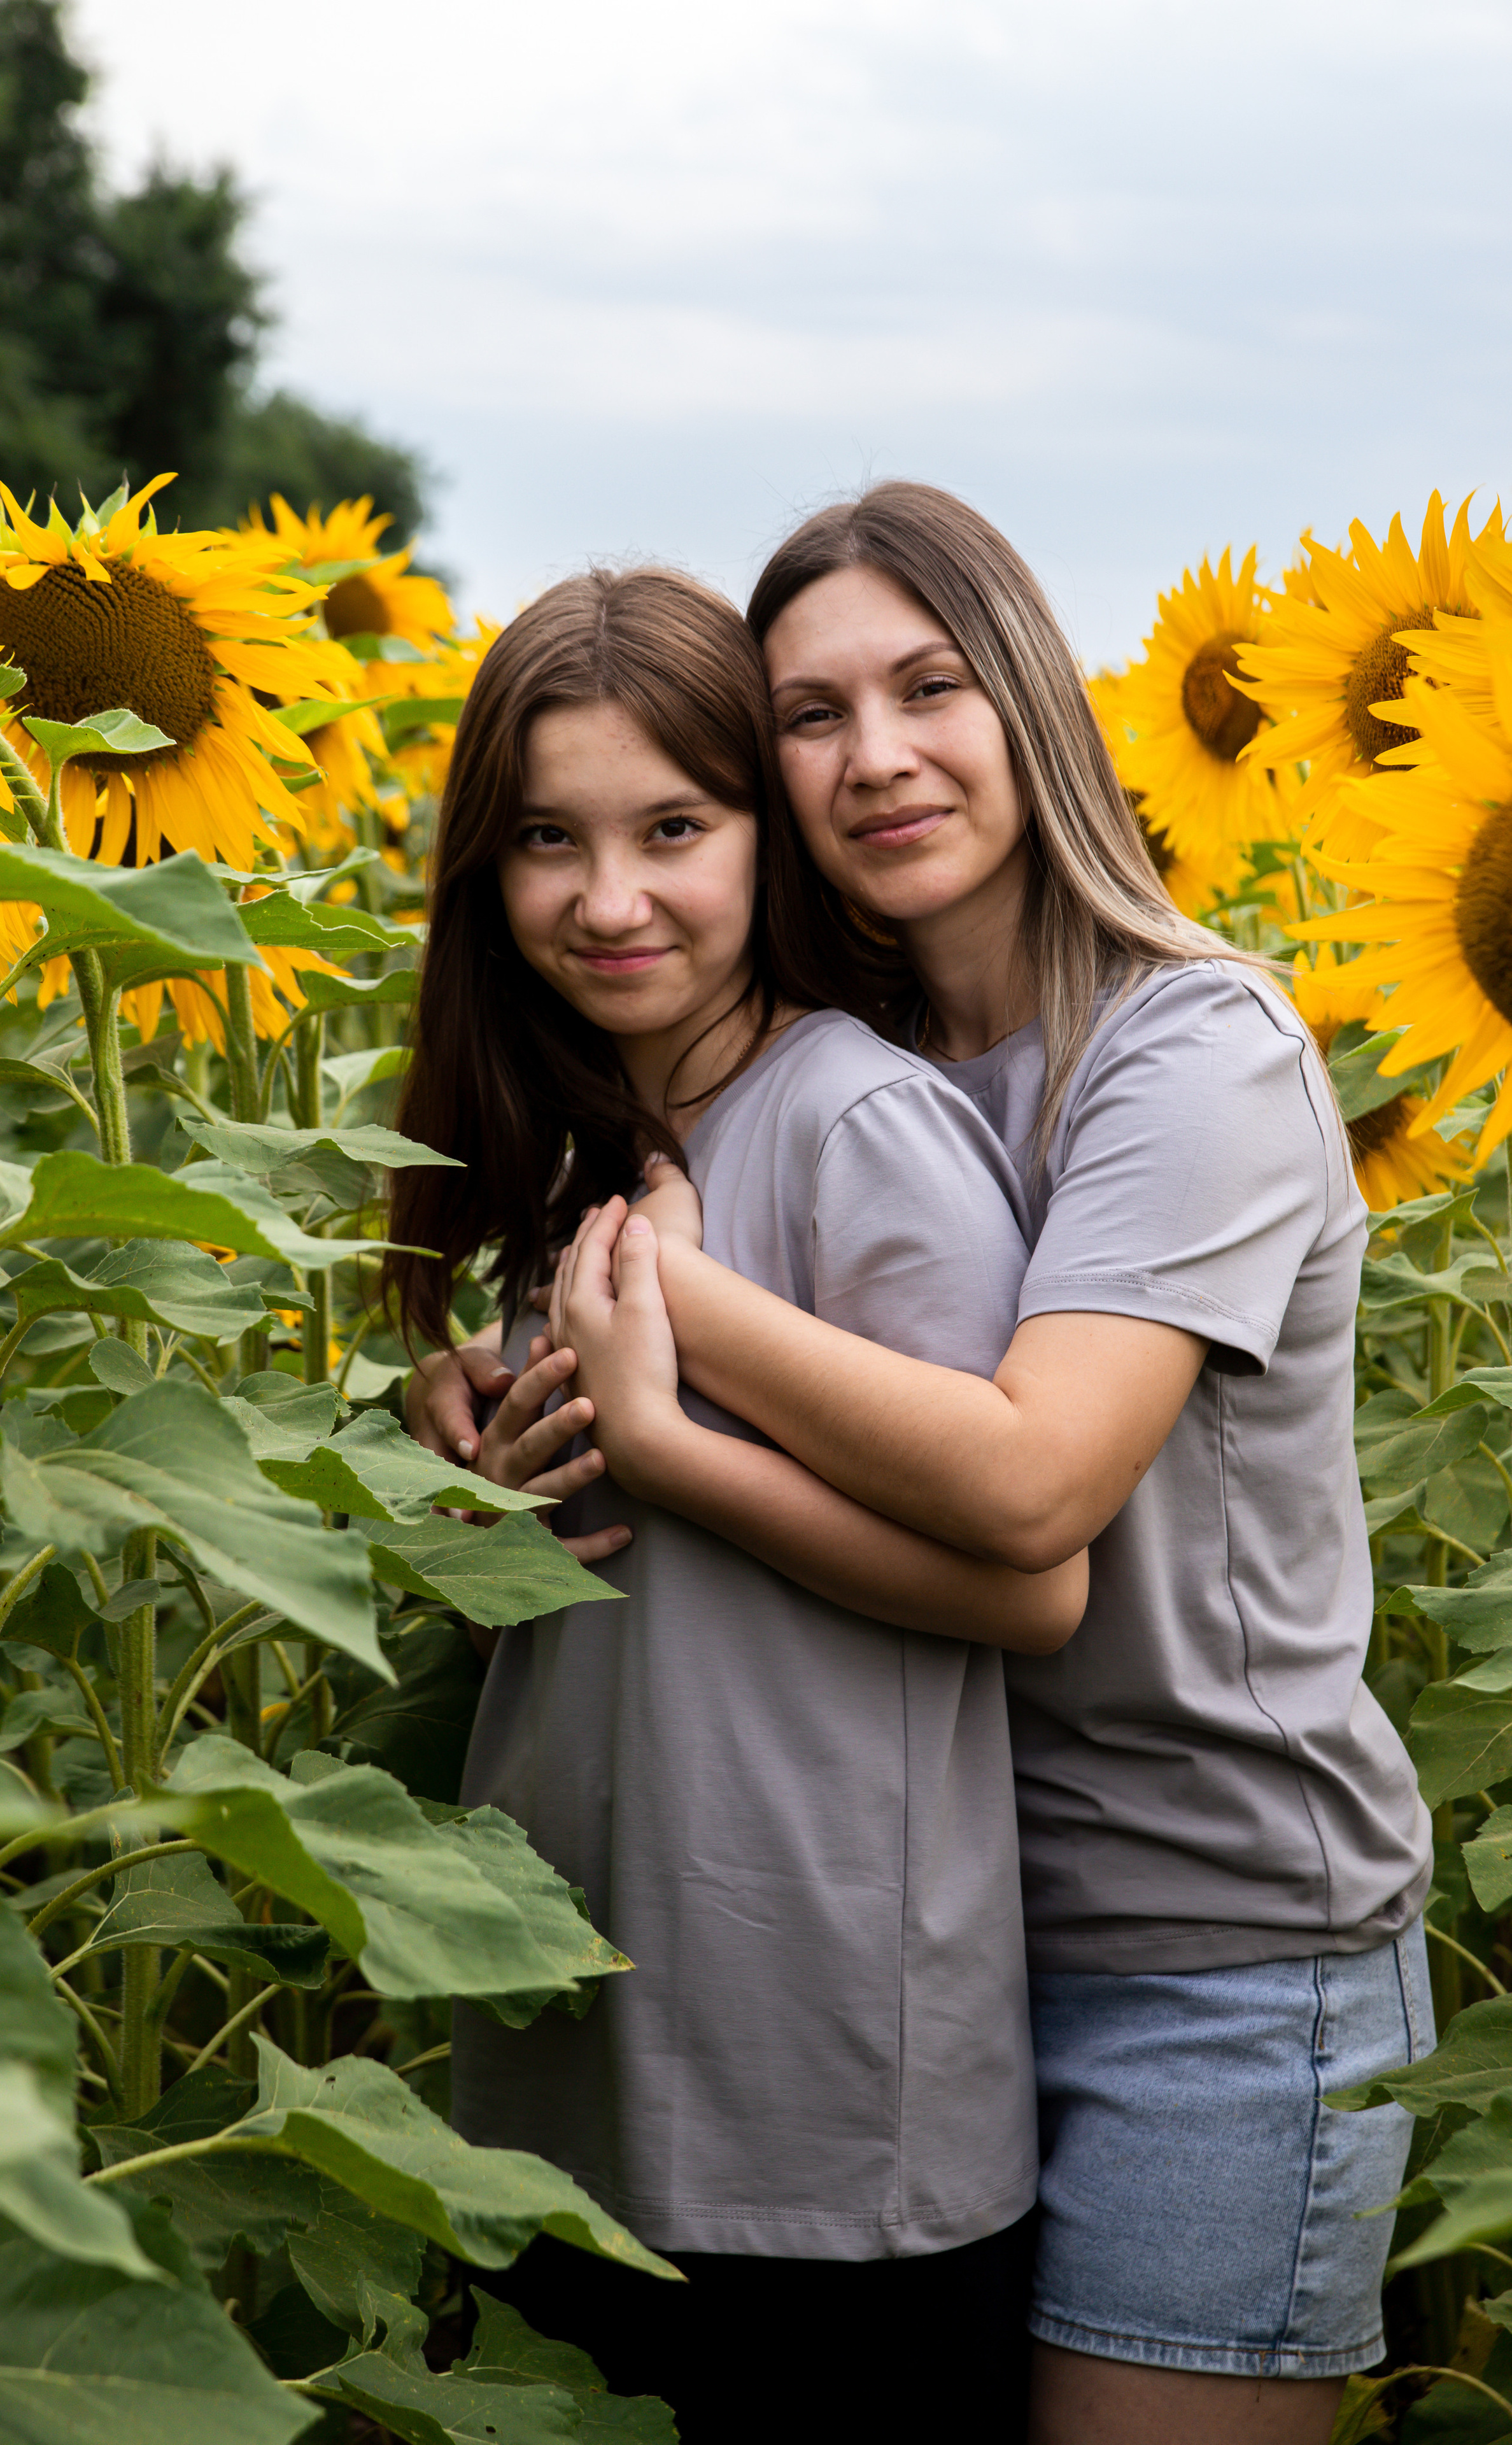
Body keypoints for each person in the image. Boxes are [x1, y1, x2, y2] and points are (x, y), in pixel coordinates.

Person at [419, 490, 1436, 2445]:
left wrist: (653, 1320)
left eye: (930, 687)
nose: (876, 757)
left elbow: (1034, 1492)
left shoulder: (1190, 1049)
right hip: (932, 1942)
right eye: (811, 715)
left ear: (1032, 697)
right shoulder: (863, 1053)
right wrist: (507, 1361)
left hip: (1205, 1949)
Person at [386, 563, 1088, 2441]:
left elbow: (1026, 1581)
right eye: (547, 839)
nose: (608, 900)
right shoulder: (586, 1162)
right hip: (577, 2093)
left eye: (674, 830)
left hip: (820, 2116)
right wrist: (440, 1453)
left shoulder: (855, 1125)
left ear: (766, 843)